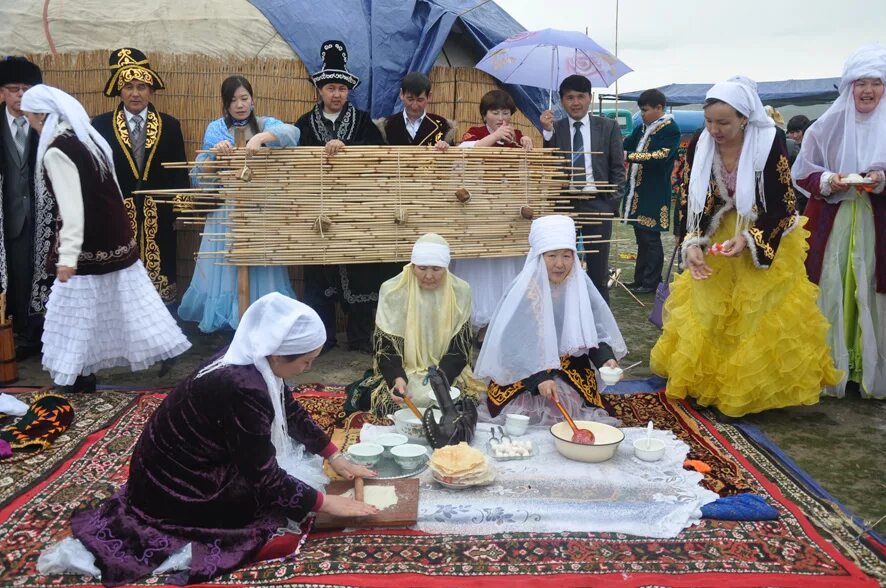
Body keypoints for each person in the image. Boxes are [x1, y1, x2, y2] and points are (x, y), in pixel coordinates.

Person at [36, 293, 377, 585]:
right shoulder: (244, 387)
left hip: (169, 468)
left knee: (285, 488)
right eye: (306, 362)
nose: (309, 368)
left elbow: (288, 409)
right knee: (265, 507)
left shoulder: (251, 356)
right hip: (179, 488)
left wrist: (334, 455)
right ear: (277, 353)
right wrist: (326, 503)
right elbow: (264, 475)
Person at [650, 76, 840, 418]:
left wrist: (750, 238)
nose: (715, 130)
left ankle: (751, 392)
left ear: (744, 118)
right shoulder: (700, 144)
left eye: (723, 122)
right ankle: (709, 384)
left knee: (759, 313)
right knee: (710, 308)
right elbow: (693, 199)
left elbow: (783, 203)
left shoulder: (769, 142)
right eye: (709, 121)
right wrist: (693, 242)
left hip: (765, 229)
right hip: (719, 229)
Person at [20, 85, 190, 392]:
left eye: (31, 116)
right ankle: (164, 350)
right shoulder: (85, 138)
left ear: (42, 116)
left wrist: (68, 257)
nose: (30, 122)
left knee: (73, 313)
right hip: (117, 237)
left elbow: (72, 209)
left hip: (89, 245)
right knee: (134, 302)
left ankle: (76, 375)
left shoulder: (58, 150)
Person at [792, 44, 886, 399]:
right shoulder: (825, 127)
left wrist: (880, 180)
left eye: (875, 82)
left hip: (877, 223)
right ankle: (830, 367)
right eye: (860, 82)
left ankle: (869, 370)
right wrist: (830, 180)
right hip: (834, 223)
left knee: (872, 285)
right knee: (832, 284)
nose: (867, 90)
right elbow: (803, 173)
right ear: (848, 87)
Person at [474, 215, 626, 426]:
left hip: (570, 367)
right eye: (552, 256)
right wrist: (538, 379)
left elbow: (595, 333)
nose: (559, 264)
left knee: (571, 404)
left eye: (566, 256)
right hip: (526, 371)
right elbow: (511, 348)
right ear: (538, 257)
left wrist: (605, 360)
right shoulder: (523, 293)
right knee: (525, 412)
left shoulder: (580, 288)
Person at [295, 40, 395, 353]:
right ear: (320, 91)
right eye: (330, 88)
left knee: (361, 271)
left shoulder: (364, 122)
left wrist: (349, 151)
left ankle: (360, 337)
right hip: (318, 212)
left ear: (348, 91)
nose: (336, 93)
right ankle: (320, 338)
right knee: (318, 275)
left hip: (356, 211)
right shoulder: (303, 124)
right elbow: (293, 163)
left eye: (341, 87)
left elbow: (379, 159)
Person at [178, 75, 300, 333]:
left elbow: (293, 133)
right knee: (226, 268)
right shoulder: (215, 129)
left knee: (261, 268)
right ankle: (231, 330)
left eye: (244, 98)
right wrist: (214, 156)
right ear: (225, 105)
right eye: (233, 100)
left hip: (259, 210)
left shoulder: (267, 124)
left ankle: (261, 326)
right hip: (227, 211)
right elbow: (200, 176)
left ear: (252, 100)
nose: (240, 105)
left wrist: (261, 138)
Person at [345, 233, 484, 415]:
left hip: (445, 372)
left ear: (446, 267)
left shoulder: (461, 291)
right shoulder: (393, 290)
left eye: (436, 269)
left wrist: (441, 378)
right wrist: (397, 379)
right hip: (406, 370)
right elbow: (386, 347)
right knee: (394, 402)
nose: (428, 276)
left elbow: (460, 347)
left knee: (458, 404)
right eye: (422, 268)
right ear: (412, 266)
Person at [92, 48, 190, 304]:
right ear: (119, 91)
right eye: (129, 87)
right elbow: (96, 171)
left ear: (151, 90)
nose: (135, 93)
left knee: (162, 272)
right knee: (120, 272)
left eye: (142, 86)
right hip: (116, 212)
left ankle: (163, 325)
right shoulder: (100, 126)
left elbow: (178, 170)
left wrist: (178, 212)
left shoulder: (170, 125)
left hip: (158, 212)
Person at [540, 75, 626, 303]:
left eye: (580, 96)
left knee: (598, 270)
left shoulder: (608, 127)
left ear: (590, 98)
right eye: (569, 97)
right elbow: (548, 166)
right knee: (559, 267)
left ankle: (600, 330)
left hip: (598, 204)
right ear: (561, 101)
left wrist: (610, 204)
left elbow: (618, 168)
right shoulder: (554, 129)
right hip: (564, 206)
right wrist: (547, 134)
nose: (575, 102)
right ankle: (562, 320)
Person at [450, 89, 529, 332]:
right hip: (480, 208)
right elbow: (463, 152)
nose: (501, 117)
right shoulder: (476, 133)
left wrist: (527, 143)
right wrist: (493, 138)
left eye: (506, 112)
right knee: (481, 266)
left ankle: (503, 322)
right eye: (495, 112)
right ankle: (480, 323)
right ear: (485, 115)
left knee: (506, 262)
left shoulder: (516, 136)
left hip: (507, 208)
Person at [0, 57, 43, 359]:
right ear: (2, 93)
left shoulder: (44, 124)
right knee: (13, 272)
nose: (19, 95)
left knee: (35, 272)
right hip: (6, 214)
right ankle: (11, 331)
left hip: (41, 213)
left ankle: (35, 332)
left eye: (26, 89)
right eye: (13, 89)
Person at [622, 88, 681, 293]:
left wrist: (628, 156)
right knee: (642, 237)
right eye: (641, 110)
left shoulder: (670, 129)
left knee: (651, 238)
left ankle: (651, 282)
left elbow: (661, 156)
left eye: (646, 110)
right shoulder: (641, 128)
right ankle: (640, 279)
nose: (643, 114)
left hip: (655, 191)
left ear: (659, 108)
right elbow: (626, 144)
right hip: (639, 190)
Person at [376, 72, 456, 149]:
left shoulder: (442, 125)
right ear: (401, 94)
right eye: (410, 99)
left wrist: (446, 149)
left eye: (420, 100)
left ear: (429, 97)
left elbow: (453, 160)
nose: (414, 106)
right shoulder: (387, 126)